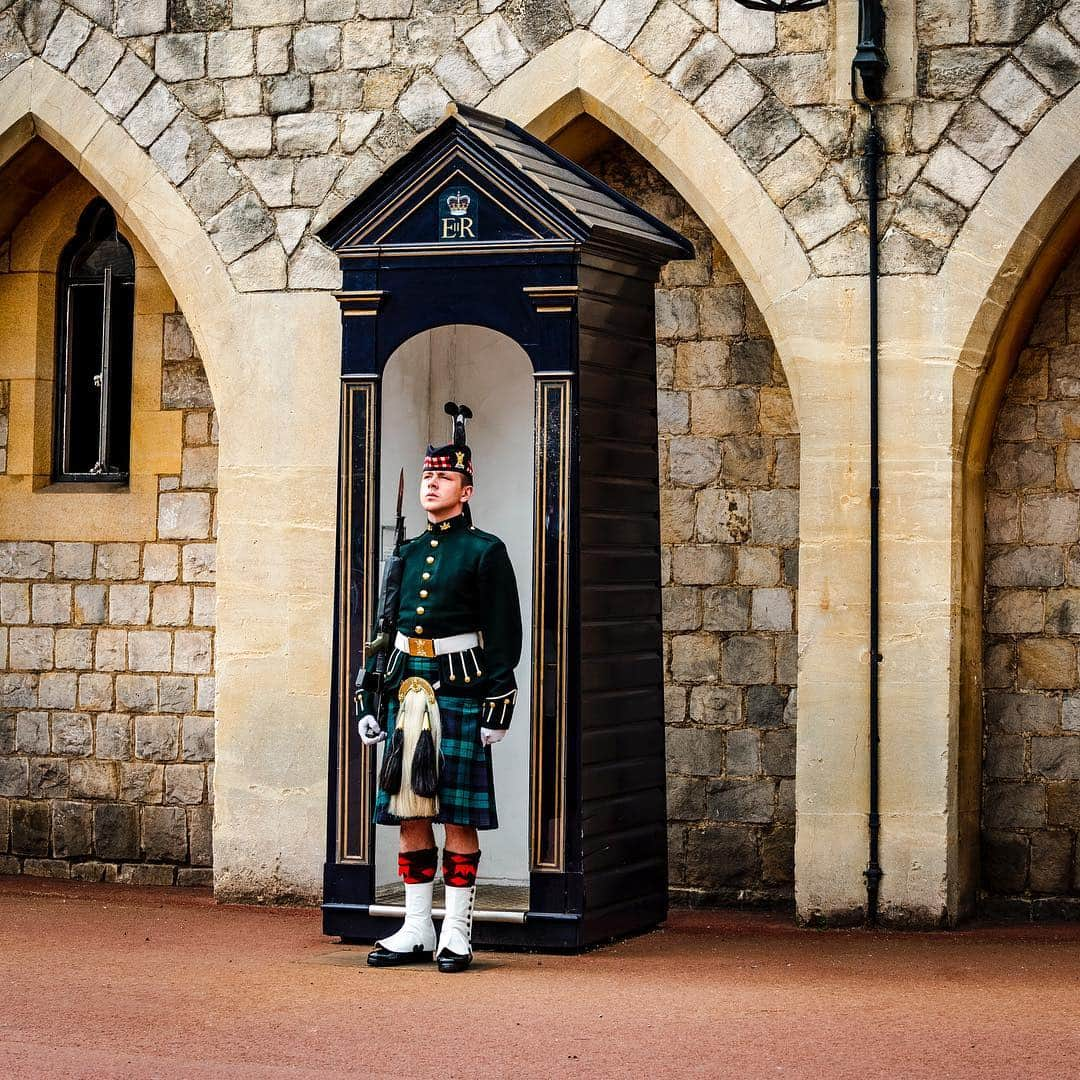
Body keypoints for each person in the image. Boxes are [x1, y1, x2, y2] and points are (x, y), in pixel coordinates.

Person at [357, 403, 522, 973]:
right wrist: (374, 697)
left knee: (458, 814)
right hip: (408, 690)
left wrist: (499, 703)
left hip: (460, 687)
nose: (431, 483)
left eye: (444, 476)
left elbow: (504, 634)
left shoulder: (486, 551)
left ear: (466, 488)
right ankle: (415, 926)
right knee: (409, 812)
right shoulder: (406, 553)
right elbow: (387, 632)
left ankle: (457, 930)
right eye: (427, 475)